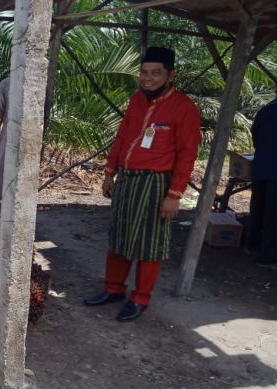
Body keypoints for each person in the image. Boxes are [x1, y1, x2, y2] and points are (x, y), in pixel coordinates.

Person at [83, 47, 201, 322]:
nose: (148, 79)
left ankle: (140, 298)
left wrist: (175, 195)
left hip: (157, 184)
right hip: (127, 180)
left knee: (150, 244)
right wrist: (110, 172)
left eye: (155, 73)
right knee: (119, 236)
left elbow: (187, 154)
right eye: (144, 73)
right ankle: (113, 289)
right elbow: (123, 135)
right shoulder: (137, 99)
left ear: (171, 75)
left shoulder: (184, 107)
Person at [247, 78, 277, 267]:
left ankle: (252, 244)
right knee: (276, 215)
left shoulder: (266, 109)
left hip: (262, 166)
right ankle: (268, 256)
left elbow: (255, 136)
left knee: (258, 208)